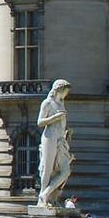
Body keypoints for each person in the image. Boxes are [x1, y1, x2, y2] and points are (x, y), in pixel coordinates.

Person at [36, 79, 73, 208]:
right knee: (47, 169)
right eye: (65, 91)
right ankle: (44, 200)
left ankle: (46, 194)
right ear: (58, 90)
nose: (66, 95)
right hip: (49, 137)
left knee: (65, 171)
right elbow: (40, 122)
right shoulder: (47, 103)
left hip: (60, 138)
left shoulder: (62, 103)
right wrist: (54, 118)